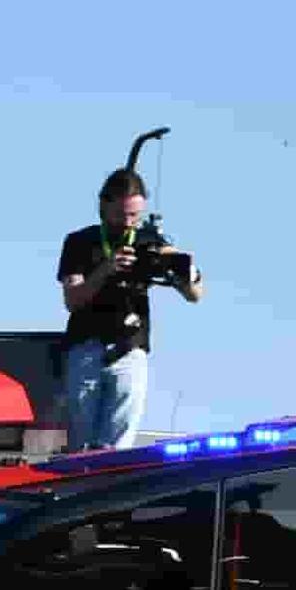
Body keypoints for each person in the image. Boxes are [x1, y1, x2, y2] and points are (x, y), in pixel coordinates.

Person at [55, 168, 204, 450]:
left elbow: (195, 294)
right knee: (81, 443)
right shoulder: (80, 243)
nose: (127, 223)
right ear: (103, 206)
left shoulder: (150, 242)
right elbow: (72, 299)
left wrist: (183, 272)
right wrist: (106, 270)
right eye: (121, 215)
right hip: (86, 349)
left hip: (130, 347)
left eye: (134, 216)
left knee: (118, 445)